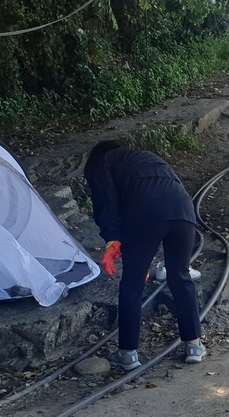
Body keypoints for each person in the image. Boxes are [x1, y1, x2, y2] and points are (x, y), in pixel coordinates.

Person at [83, 140, 206, 368]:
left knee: (133, 283)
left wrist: (113, 238)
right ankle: (194, 345)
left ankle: (128, 353)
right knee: (180, 277)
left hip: (145, 215)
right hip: (183, 212)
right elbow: (169, 189)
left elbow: (105, 201)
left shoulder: (101, 162)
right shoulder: (147, 158)